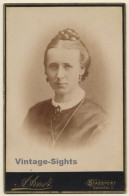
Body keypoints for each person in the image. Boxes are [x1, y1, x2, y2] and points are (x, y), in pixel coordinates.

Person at [23, 28, 109, 149]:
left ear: (81, 69)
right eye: (53, 66)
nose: (59, 75)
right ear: (46, 70)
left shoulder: (99, 122)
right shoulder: (33, 114)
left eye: (67, 66)